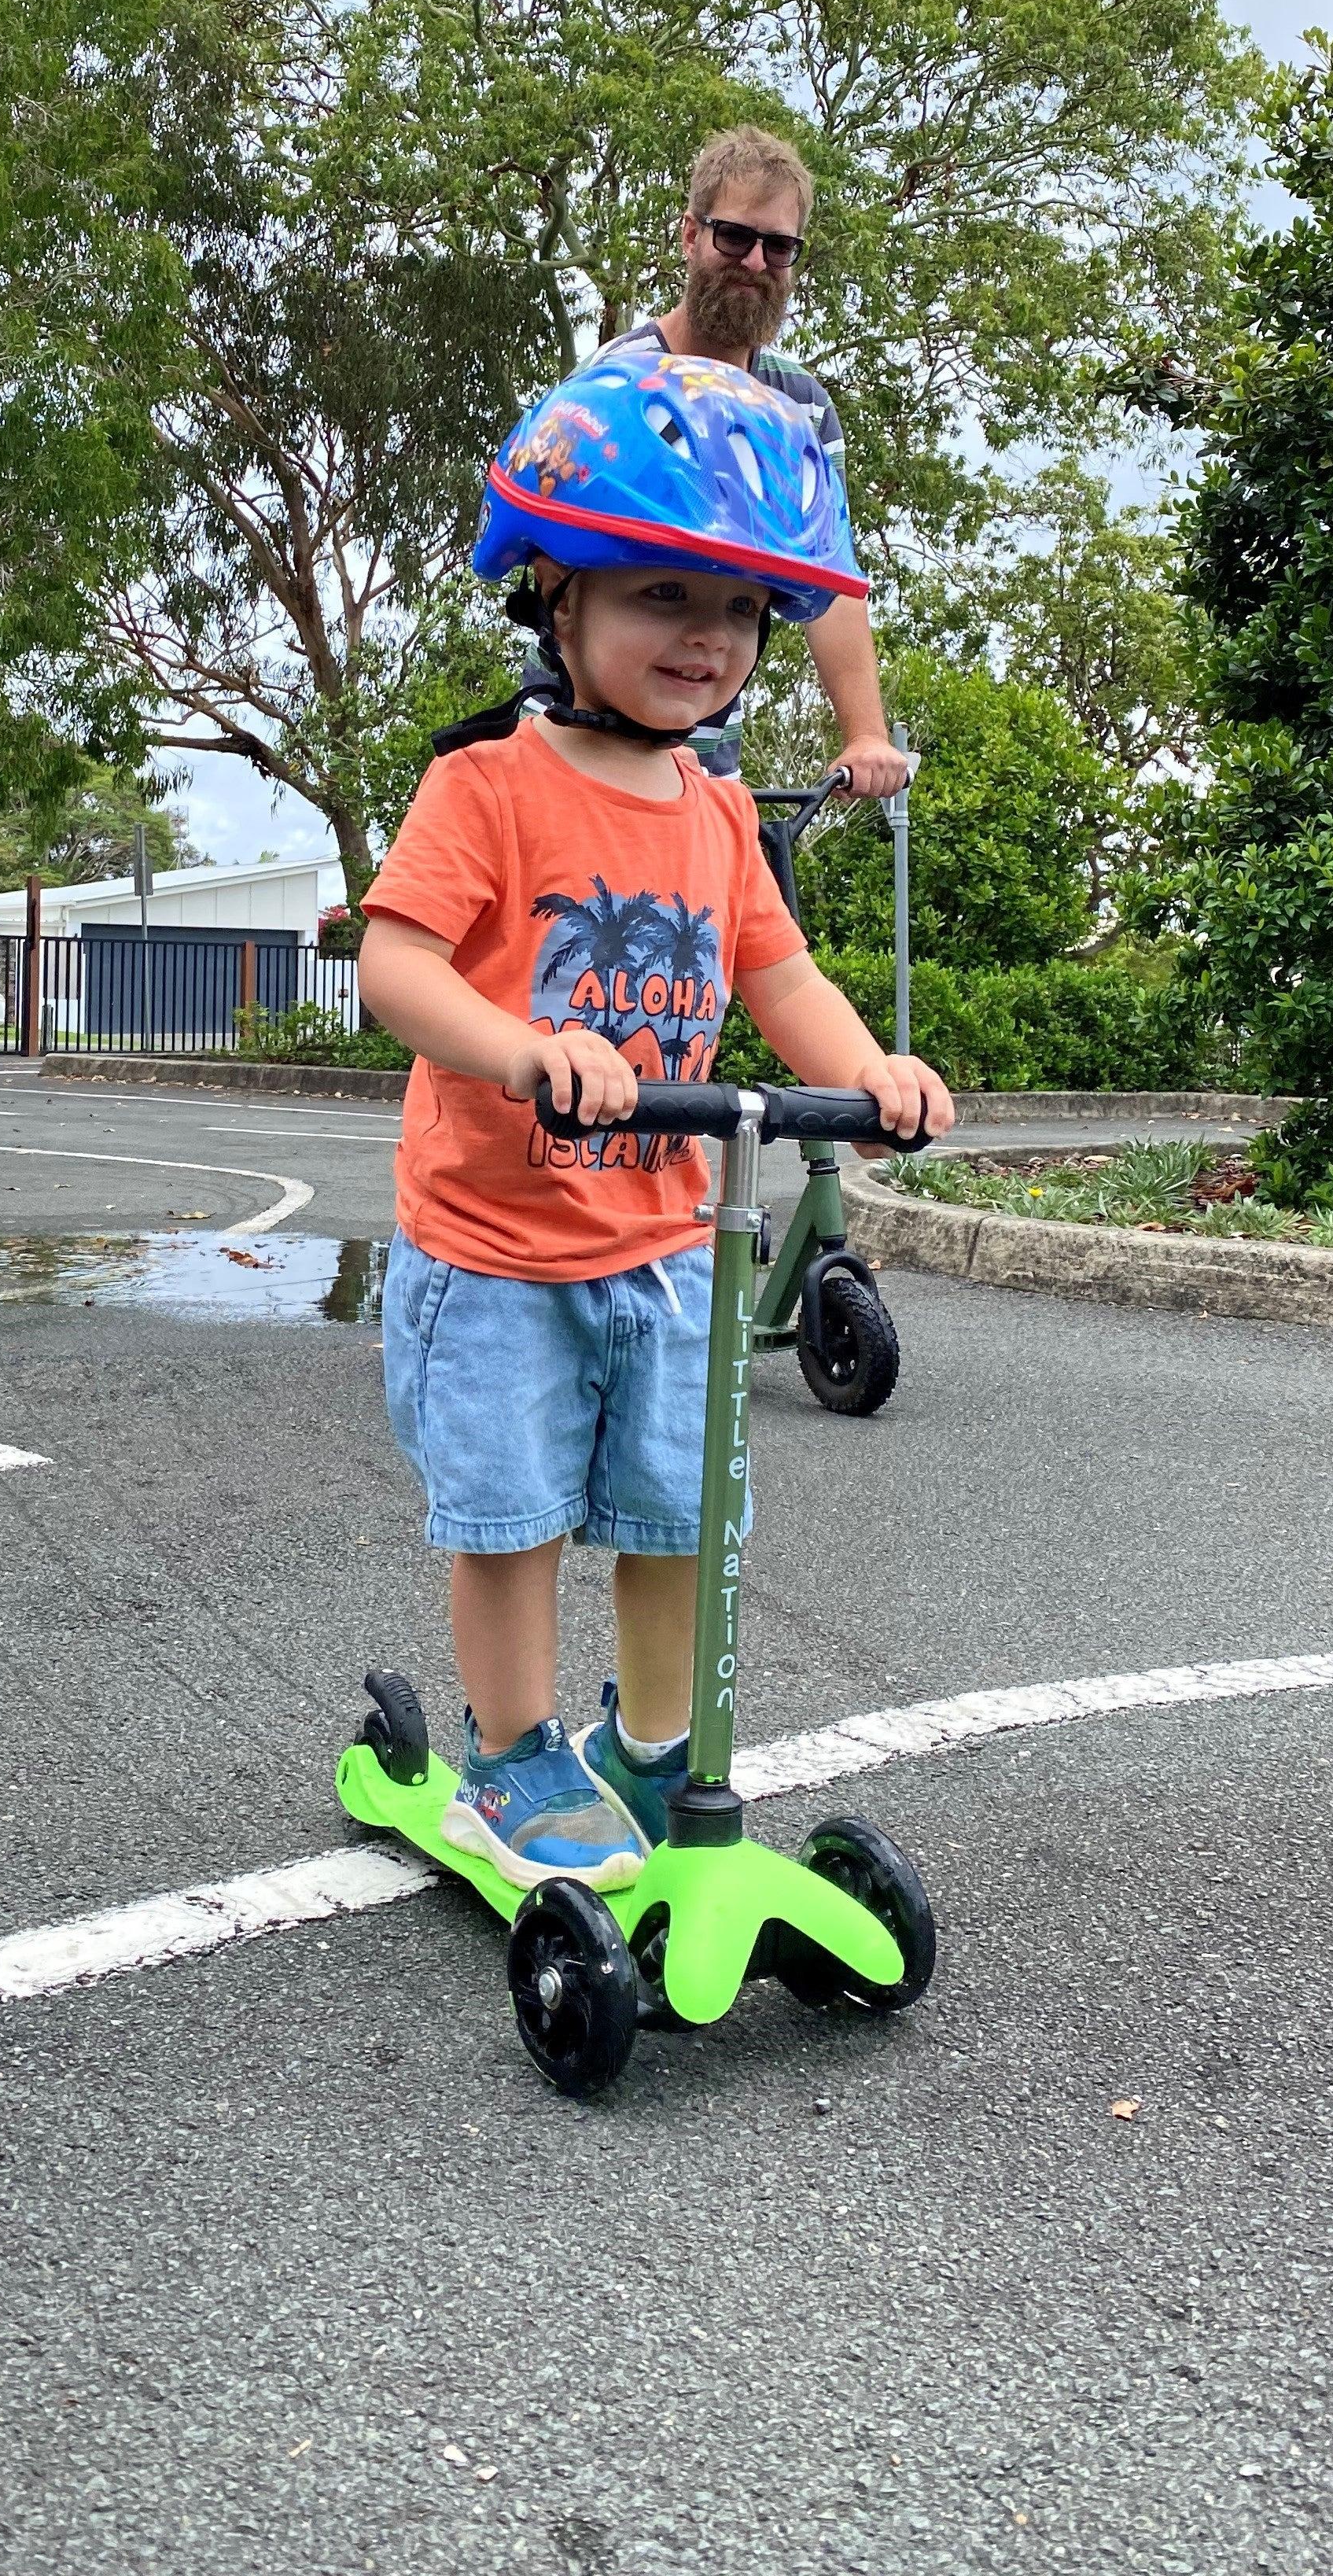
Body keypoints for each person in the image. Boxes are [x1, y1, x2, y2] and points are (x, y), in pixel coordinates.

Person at [356, 346, 955, 1890]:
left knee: (685, 1513)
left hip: (660, 1237)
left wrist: (874, 1068)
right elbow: (395, 967)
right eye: (657, 595)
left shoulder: (712, 813)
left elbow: (778, 969)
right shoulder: (487, 788)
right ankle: (511, 1757)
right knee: (510, 1511)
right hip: (495, 1242)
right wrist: (521, 1046)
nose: (704, 640)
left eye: (737, 610)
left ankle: (648, 1745)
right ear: (556, 597)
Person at [595, 123, 909, 798]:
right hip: (589, 742)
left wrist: (865, 734)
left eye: (779, 246)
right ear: (690, 235)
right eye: (734, 237)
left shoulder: (802, 408)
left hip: (709, 768)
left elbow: (828, 572)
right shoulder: (620, 382)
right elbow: (563, 553)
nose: (755, 262)